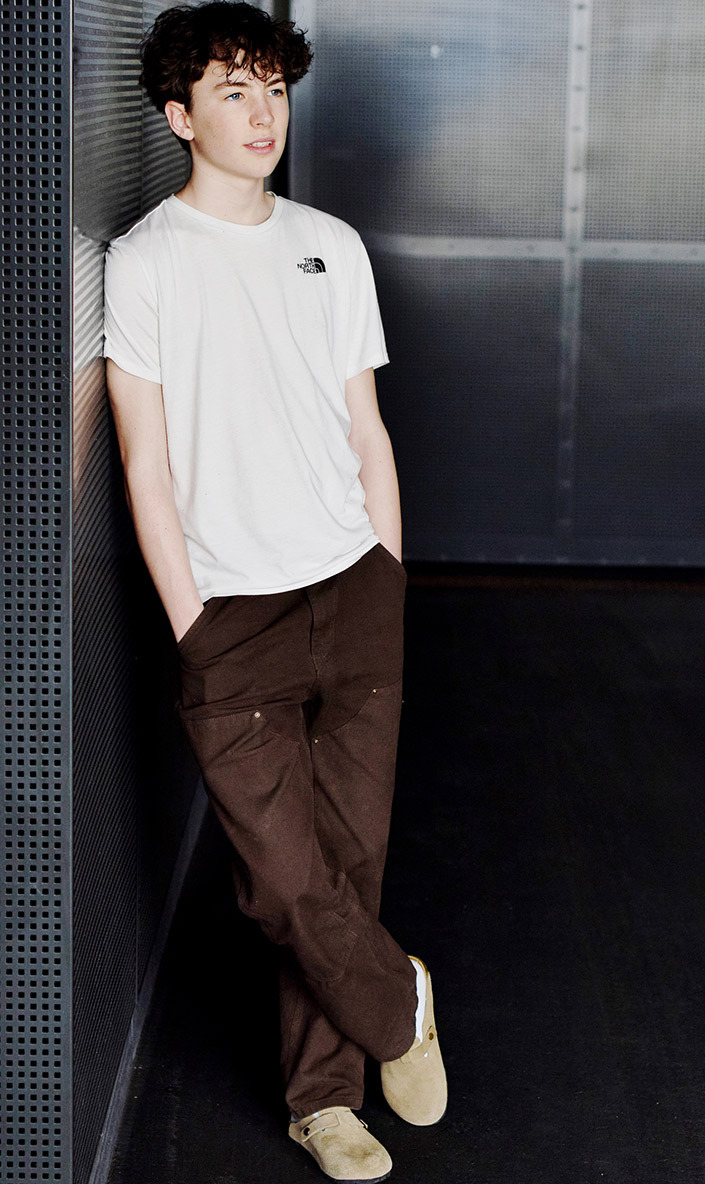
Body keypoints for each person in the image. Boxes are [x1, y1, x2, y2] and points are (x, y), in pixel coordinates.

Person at [102, 4, 447, 1179]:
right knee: (286, 880)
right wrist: (192, 623)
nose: (261, 115)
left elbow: (365, 427)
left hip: (353, 589)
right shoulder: (145, 262)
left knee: (348, 863)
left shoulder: (329, 245)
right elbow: (145, 464)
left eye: (273, 90)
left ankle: (325, 1102)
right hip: (231, 618)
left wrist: (387, 571)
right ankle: (397, 1001)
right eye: (231, 91)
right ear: (177, 115)